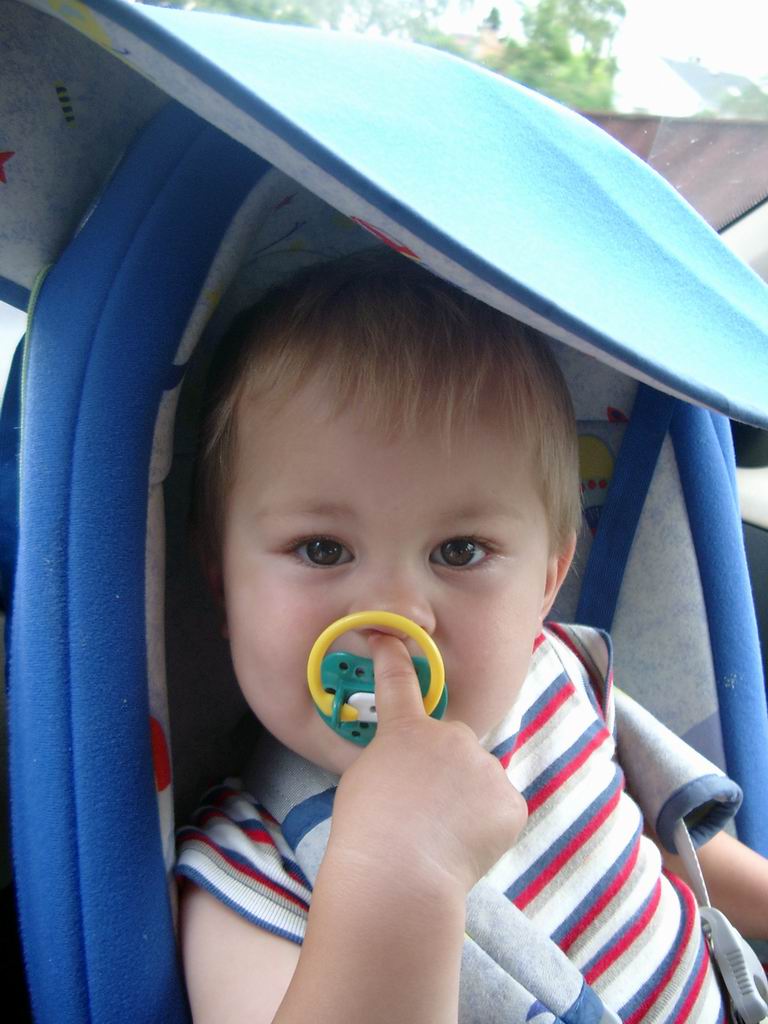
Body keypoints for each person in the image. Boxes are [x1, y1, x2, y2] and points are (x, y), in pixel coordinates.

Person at [176, 249, 768, 1023]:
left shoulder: (556, 674)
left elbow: (652, 851)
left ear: (547, 584)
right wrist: (397, 873)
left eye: (459, 551)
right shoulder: (247, 873)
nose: (394, 617)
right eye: (322, 549)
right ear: (223, 584)